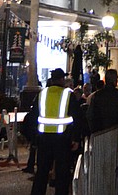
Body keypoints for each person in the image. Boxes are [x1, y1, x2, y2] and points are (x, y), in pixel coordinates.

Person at [31, 67, 80, 195]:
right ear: (62, 79)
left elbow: (34, 115)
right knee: (62, 173)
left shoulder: (42, 93)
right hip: (62, 139)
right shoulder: (68, 94)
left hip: (44, 138)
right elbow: (77, 118)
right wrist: (76, 139)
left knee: (42, 172)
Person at [88, 66, 118, 134]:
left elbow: (90, 114)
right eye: (117, 78)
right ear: (114, 80)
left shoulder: (96, 96)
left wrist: (93, 130)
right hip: (117, 132)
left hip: (99, 133)